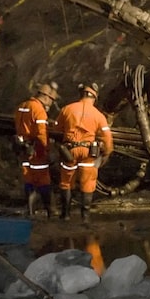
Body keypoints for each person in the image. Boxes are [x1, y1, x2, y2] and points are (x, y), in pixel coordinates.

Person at [55, 82, 113, 222]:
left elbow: (57, 129)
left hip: (69, 151)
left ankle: (66, 215)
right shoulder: (98, 115)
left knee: (66, 182)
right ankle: (85, 217)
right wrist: (107, 152)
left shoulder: (66, 109)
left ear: (81, 94)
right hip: (89, 152)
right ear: (94, 97)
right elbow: (107, 137)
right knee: (88, 182)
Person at [13, 82, 59, 218]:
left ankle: (30, 210)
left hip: (22, 148)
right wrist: (47, 150)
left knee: (28, 179)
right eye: (51, 100)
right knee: (43, 179)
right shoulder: (38, 109)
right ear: (46, 97)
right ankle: (51, 210)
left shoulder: (22, 106)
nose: (51, 103)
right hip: (36, 150)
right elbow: (40, 133)